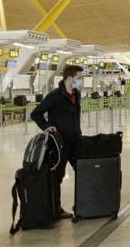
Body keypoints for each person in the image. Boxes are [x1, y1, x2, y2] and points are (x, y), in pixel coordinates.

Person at [30, 65, 84, 220]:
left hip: (75, 140)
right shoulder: (55, 95)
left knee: (82, 171)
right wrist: (46, 127)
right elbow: (36, 113)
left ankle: (83, 204)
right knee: (57, 176)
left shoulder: (76, 94)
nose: (80, 81)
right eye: (79, 78)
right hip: (59, 144)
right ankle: (56, 209)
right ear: (70, 78)